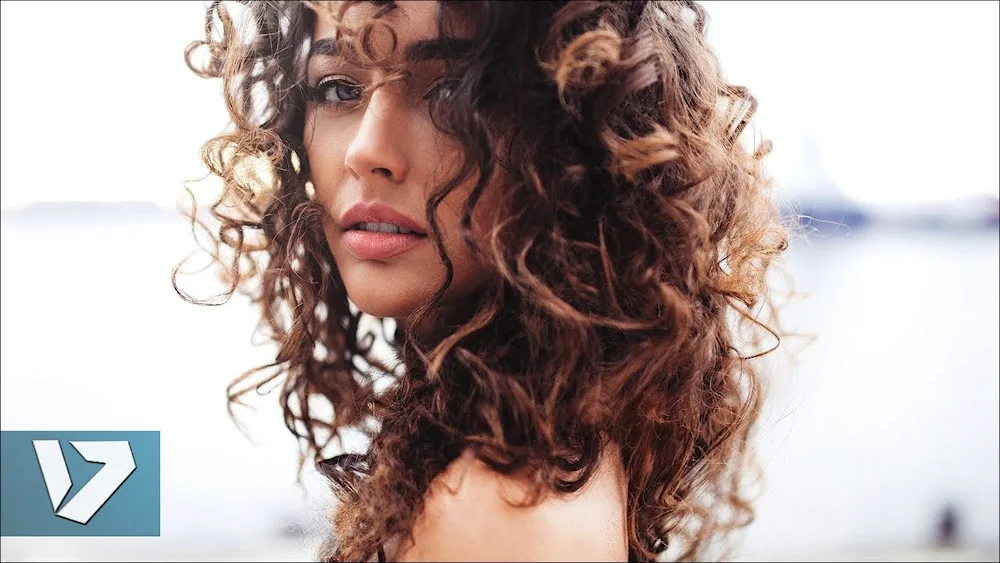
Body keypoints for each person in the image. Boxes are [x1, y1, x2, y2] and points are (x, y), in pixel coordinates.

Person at [177, 0, 790, 560]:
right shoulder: (554, 438)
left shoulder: (494, 510)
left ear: (577, 141)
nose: (366, 150)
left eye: (452, 93)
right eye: (337, 88)